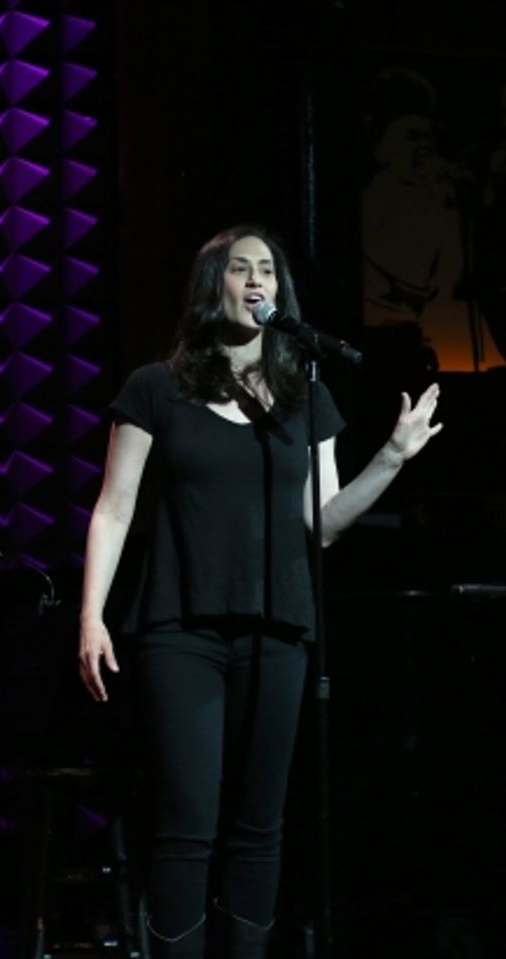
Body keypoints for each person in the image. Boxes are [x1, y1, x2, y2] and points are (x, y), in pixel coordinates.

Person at [76, 226, 442, 959]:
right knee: (189, 816)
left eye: (266, 271)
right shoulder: (156, 388)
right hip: (180, 628)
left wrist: (392, 457)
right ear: (210, 285)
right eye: (239, 269)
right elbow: (114, 507)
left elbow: (323, 524)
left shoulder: (304, 395)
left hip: (278, 626)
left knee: (259, 823)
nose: (255, 282)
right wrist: (91, 615)